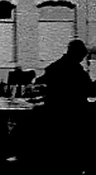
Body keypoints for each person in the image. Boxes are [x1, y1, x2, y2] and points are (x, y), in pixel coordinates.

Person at [35, 39, 92, 174]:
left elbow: (40, 81)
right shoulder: (76, 69)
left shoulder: (55, 66)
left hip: (54, 112)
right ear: (78, 54)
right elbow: (89, 89)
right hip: (73, 114)